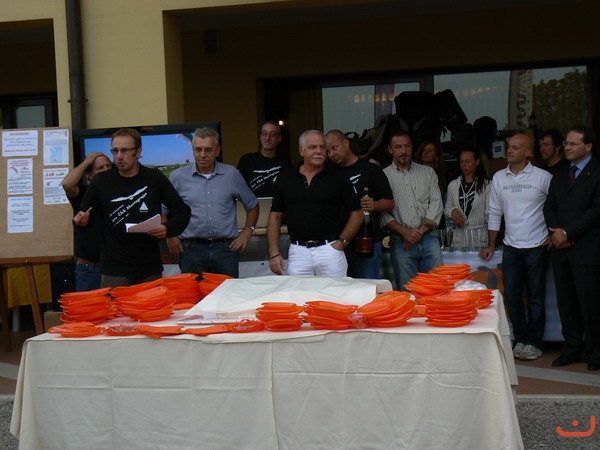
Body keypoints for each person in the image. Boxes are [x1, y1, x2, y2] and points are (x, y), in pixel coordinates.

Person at [73, 128, 191, 288]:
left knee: (151, 304)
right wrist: (80, 221)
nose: (119, 156)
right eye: (115, 151)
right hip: (114, 268)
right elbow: (84, 217)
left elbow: (182, 211)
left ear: (138, 152)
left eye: (124, 151)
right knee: (114, 305)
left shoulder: (154, 178)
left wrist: (167, 228)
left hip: (148, 265)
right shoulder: (101, 181)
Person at [480, 132, 551, 361]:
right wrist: (491, 244)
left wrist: (552, 234)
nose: (509, 151)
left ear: (528, 151)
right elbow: (494, 212)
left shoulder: (543, 177)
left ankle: (534, 342)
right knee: (511, 295)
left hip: (537, 245)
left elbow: (556, 207)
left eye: (515, 148)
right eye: (509, 147)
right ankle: (521, 339)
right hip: (510, 246)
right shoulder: (499, 177)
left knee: (536, 295)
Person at [267, 130, 363, 277]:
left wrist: (341, 242)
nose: (319, 151)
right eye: (312, 147)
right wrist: (274, 252)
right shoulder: (285, 178)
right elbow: (275, 217)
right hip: (298, 252)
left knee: (335, 291)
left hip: (330, 249)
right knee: (299, 292)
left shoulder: (338, 177)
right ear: (301, 150)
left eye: (322, 147)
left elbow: (357, 213)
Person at [543, 126, 600, 371]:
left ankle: (595, 350)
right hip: (561, 249)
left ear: (588, 146)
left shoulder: (597, 171)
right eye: (566, 143)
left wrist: (567, 233)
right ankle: (571, 348)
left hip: (587, 249)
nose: (567, 147)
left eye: (573, 143)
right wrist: (557, 233)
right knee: (566, 303)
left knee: (590, 302)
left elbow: (596, 210)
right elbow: (549, 205)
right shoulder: (561, 172)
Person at [168, 127, 259, 278]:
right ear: (193, 150)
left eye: (208, 150)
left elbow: (252, 205)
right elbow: (163, 210)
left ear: (217, 151)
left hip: (226, 250)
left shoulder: (231, 174)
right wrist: (170, 236)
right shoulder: (178, 177)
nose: (202, 154)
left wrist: (248, 231)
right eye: (198, 149)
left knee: (227, 292)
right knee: (194, 292)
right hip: (191, 250)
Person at [325, 129, 394, 278]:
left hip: (366, 239)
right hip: (335, 241)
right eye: (328, 151)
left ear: (346, 143)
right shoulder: (327, 172)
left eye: (334, 148)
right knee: (339, 288)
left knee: (367, 285)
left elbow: (390, 203)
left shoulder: (371, 169)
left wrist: (374, 205)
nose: (331, 154)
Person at [381, 131, 443, 291]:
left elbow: (436, 203)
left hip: (429, 238)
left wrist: (417, 233)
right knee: (408, 294)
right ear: (390, 149)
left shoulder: (427, 172)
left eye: (407, 146)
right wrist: (405, 232)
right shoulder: (383, 176)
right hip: (400, 241)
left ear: (412, 147)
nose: (404, 151)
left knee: (436, 290)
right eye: (398, 147)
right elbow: (381, 213)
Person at [61, 151, 112, 291]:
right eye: (100, 168)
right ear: (90, 175)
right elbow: (67, 184)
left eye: (108, 166)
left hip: (115, 267)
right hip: (90, 268)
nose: (106, 170)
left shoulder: (120, 193)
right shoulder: (85, 192)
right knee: (89, 305)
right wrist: (86, 162)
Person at [444, 149, 490, 248]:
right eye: (461, 161)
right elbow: (447, 209)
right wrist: (452, 211)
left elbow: (491, 213)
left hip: (480, 236)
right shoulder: (453, 185)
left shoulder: (487, 185)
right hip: (459, 237)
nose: (464, 165)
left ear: (477, 162)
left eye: (467, 161)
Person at [237, 121, 292, 197]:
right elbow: (238, 188)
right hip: (253, 204)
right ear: (260, 137)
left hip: (278, 204)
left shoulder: (285, 163)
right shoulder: (247, 160)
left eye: (272, 134)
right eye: (264, 133)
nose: (267, 138)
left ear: (279, 138)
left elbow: (289, 190)